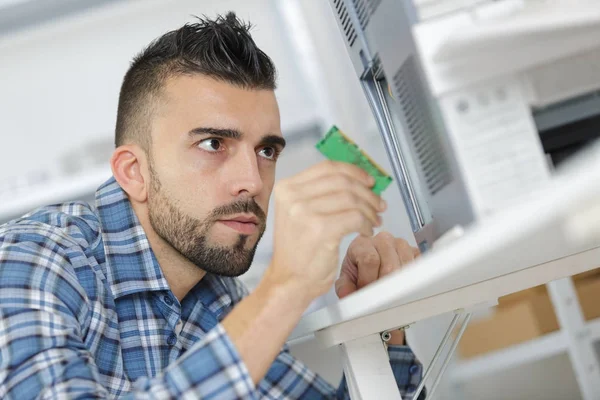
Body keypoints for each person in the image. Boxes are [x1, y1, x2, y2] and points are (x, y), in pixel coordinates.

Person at [0, 12, 425, 399]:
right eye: (213, 144)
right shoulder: (33, 260)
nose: (252, 182)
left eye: (266, 151)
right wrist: (284, 289)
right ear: (133, 172)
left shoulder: (214, 297)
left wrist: (381, 321)